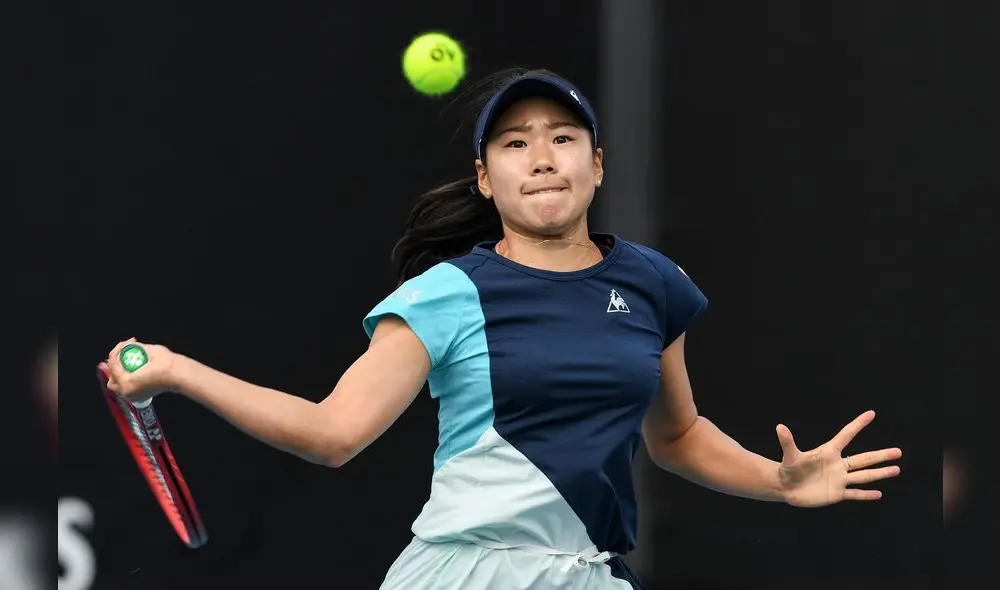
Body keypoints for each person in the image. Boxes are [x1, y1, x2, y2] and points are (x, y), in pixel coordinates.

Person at [103, 68, 903, 589]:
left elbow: (677, 434)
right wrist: (176, 369)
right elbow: (332, 433)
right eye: (515, 145)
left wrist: (777, 477)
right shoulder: (447, 293)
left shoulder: (653, 283)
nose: (543, 158)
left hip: (591, 576)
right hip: (465, 575)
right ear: (488, 180)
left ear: (598, 163)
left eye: (562, 139)